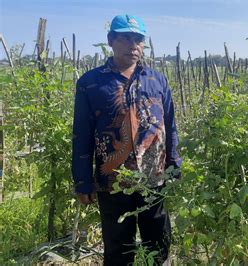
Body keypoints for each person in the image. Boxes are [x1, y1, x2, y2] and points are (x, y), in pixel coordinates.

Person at [72, 14, 181, 265]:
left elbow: (170, 124)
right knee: (119, 248)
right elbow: (82, 135)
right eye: (126, 38)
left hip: (154, 179)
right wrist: (82, 180)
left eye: (139, 39)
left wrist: (174, 162)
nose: (134, 45)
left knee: (159, 242)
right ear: (111, 40)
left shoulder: (157, 80)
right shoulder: (91, 83)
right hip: (114, 182)